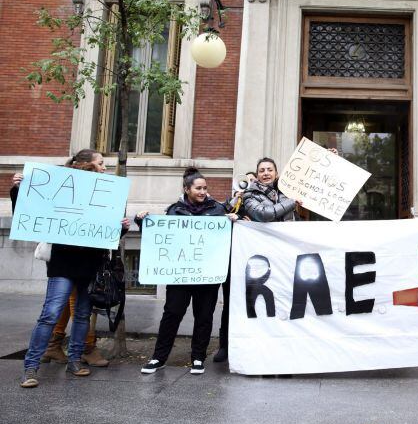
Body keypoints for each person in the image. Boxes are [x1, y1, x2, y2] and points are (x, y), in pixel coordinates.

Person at [16, 149, 130, 388]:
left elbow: (108, 232)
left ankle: (75, 360)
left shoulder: (107, 192)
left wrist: (122, 227)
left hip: (91, 264)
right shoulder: (61, 187)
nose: (105, 168)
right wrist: (19, 189)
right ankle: (31, 366)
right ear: (87, 165)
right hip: (64, 262)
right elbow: (31, 210)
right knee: (51, 313)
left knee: (82, 315)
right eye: (101, 163)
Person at [137, 167, 238, 375]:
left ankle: (198, 358)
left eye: (205, 188)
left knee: (204, 316)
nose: (203, 192)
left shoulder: (217, 210)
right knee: (172, 314)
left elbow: (228, 237)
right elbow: (160, 233)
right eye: (198, 188)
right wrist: (142, 220)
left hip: (208, 275)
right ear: (187, 189)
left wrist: (233, 222)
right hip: (180, 275)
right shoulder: (175, 210)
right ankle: (158, 357)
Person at [212, 171, 257, 364]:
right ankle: (225, 345)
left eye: (253, 180)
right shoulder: (233, 202)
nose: (250, 183)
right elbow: (216, 215)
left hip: (256, 263)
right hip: (233, 260)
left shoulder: (263, 200)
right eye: (246, 180)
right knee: (230, 304)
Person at [240, 158, 301, 223]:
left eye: (270, 170)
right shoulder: (249, 195)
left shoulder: (285, 191)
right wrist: (291, 202)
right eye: (261, 171)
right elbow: (263, 215)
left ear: (276, 174)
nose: (266, 173)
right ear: (257, 176)